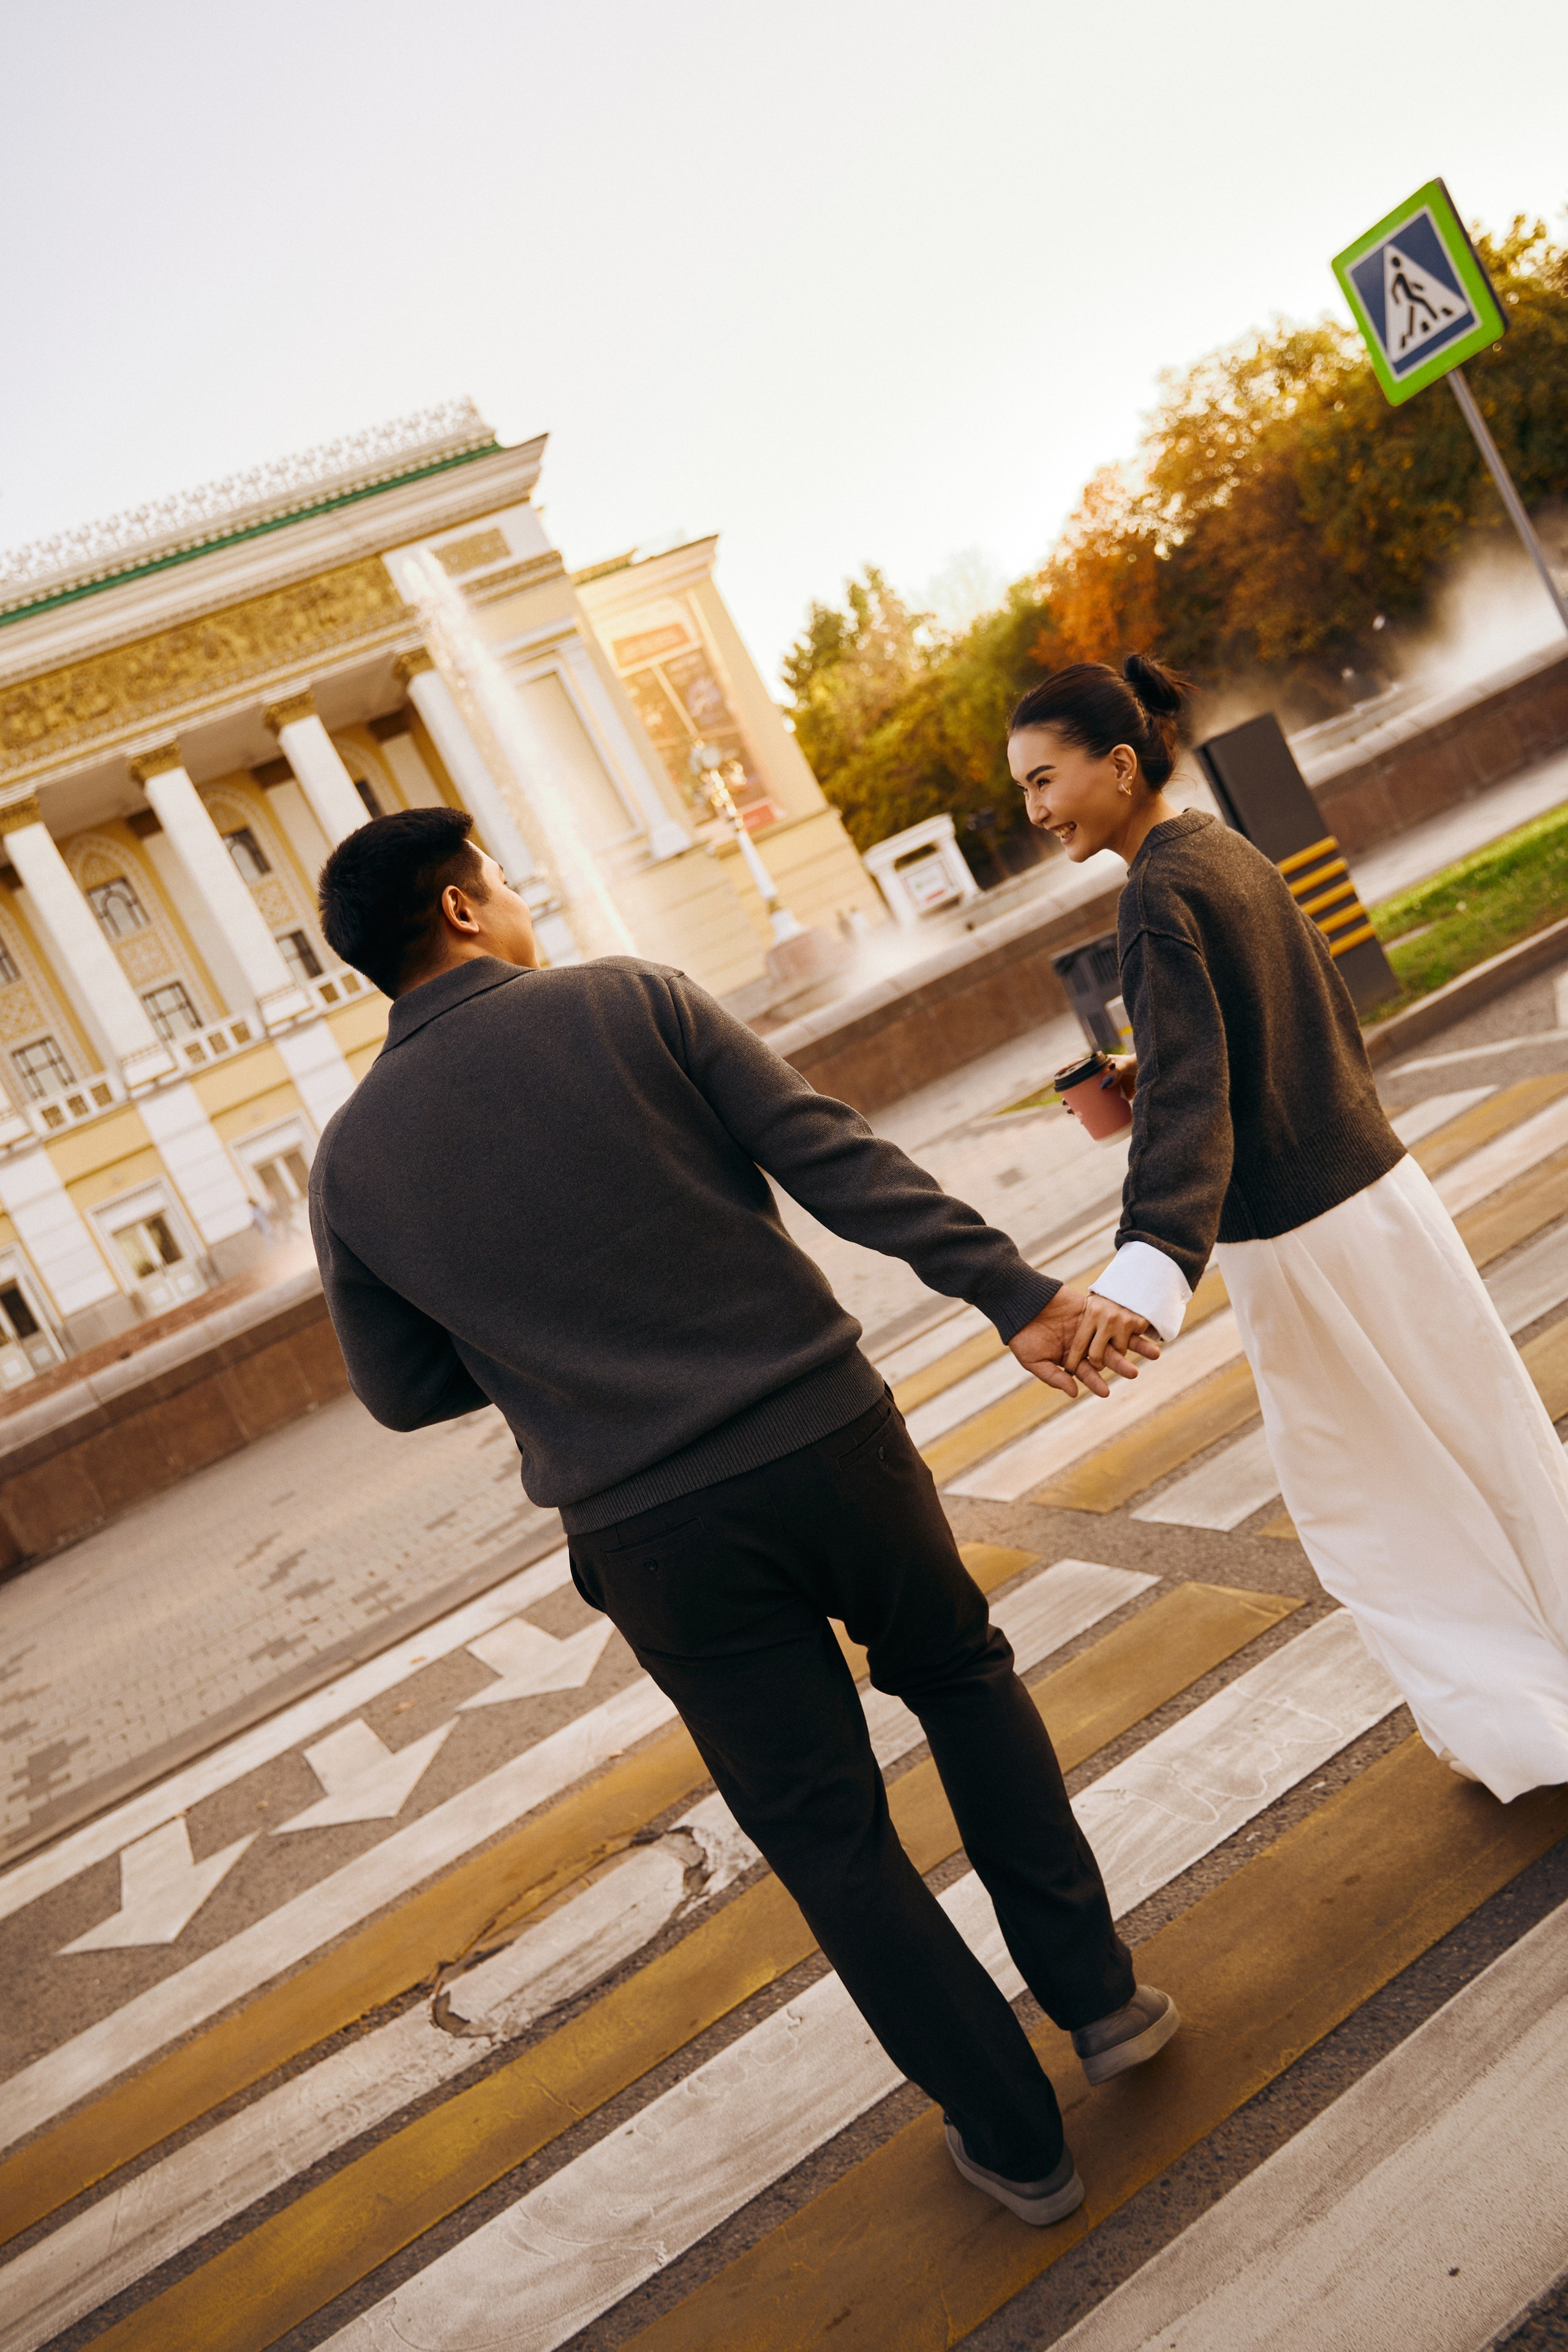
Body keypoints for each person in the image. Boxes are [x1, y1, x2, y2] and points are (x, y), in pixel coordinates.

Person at [307, 807, 1179, 2228]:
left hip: (651, 1532)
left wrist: (550, 1346)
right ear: (460, 908)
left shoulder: (350, 1161)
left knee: (826, 1834)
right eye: (504, 879)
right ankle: (1100, 2003)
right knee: (960, 1681)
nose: (521, 900)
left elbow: (401, 1392)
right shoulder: (627, 1001)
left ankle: (1016, 2145)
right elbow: (831, 1159)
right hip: (825, 1438)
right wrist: (1013, 1294)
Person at [1007, 654, 1568, 1802]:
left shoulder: (1153, 900)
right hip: (1379, 1198)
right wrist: (1161, 1069)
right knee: (1490, 1448)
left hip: (1305, 1244)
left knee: (1371, 1506)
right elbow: (1285, 1019)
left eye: (1044, 779)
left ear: (1121, 765)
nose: (1036, 810)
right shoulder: (1219, 850)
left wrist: (1145, 1270)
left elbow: (1193, 1101)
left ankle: (1521, 1726)